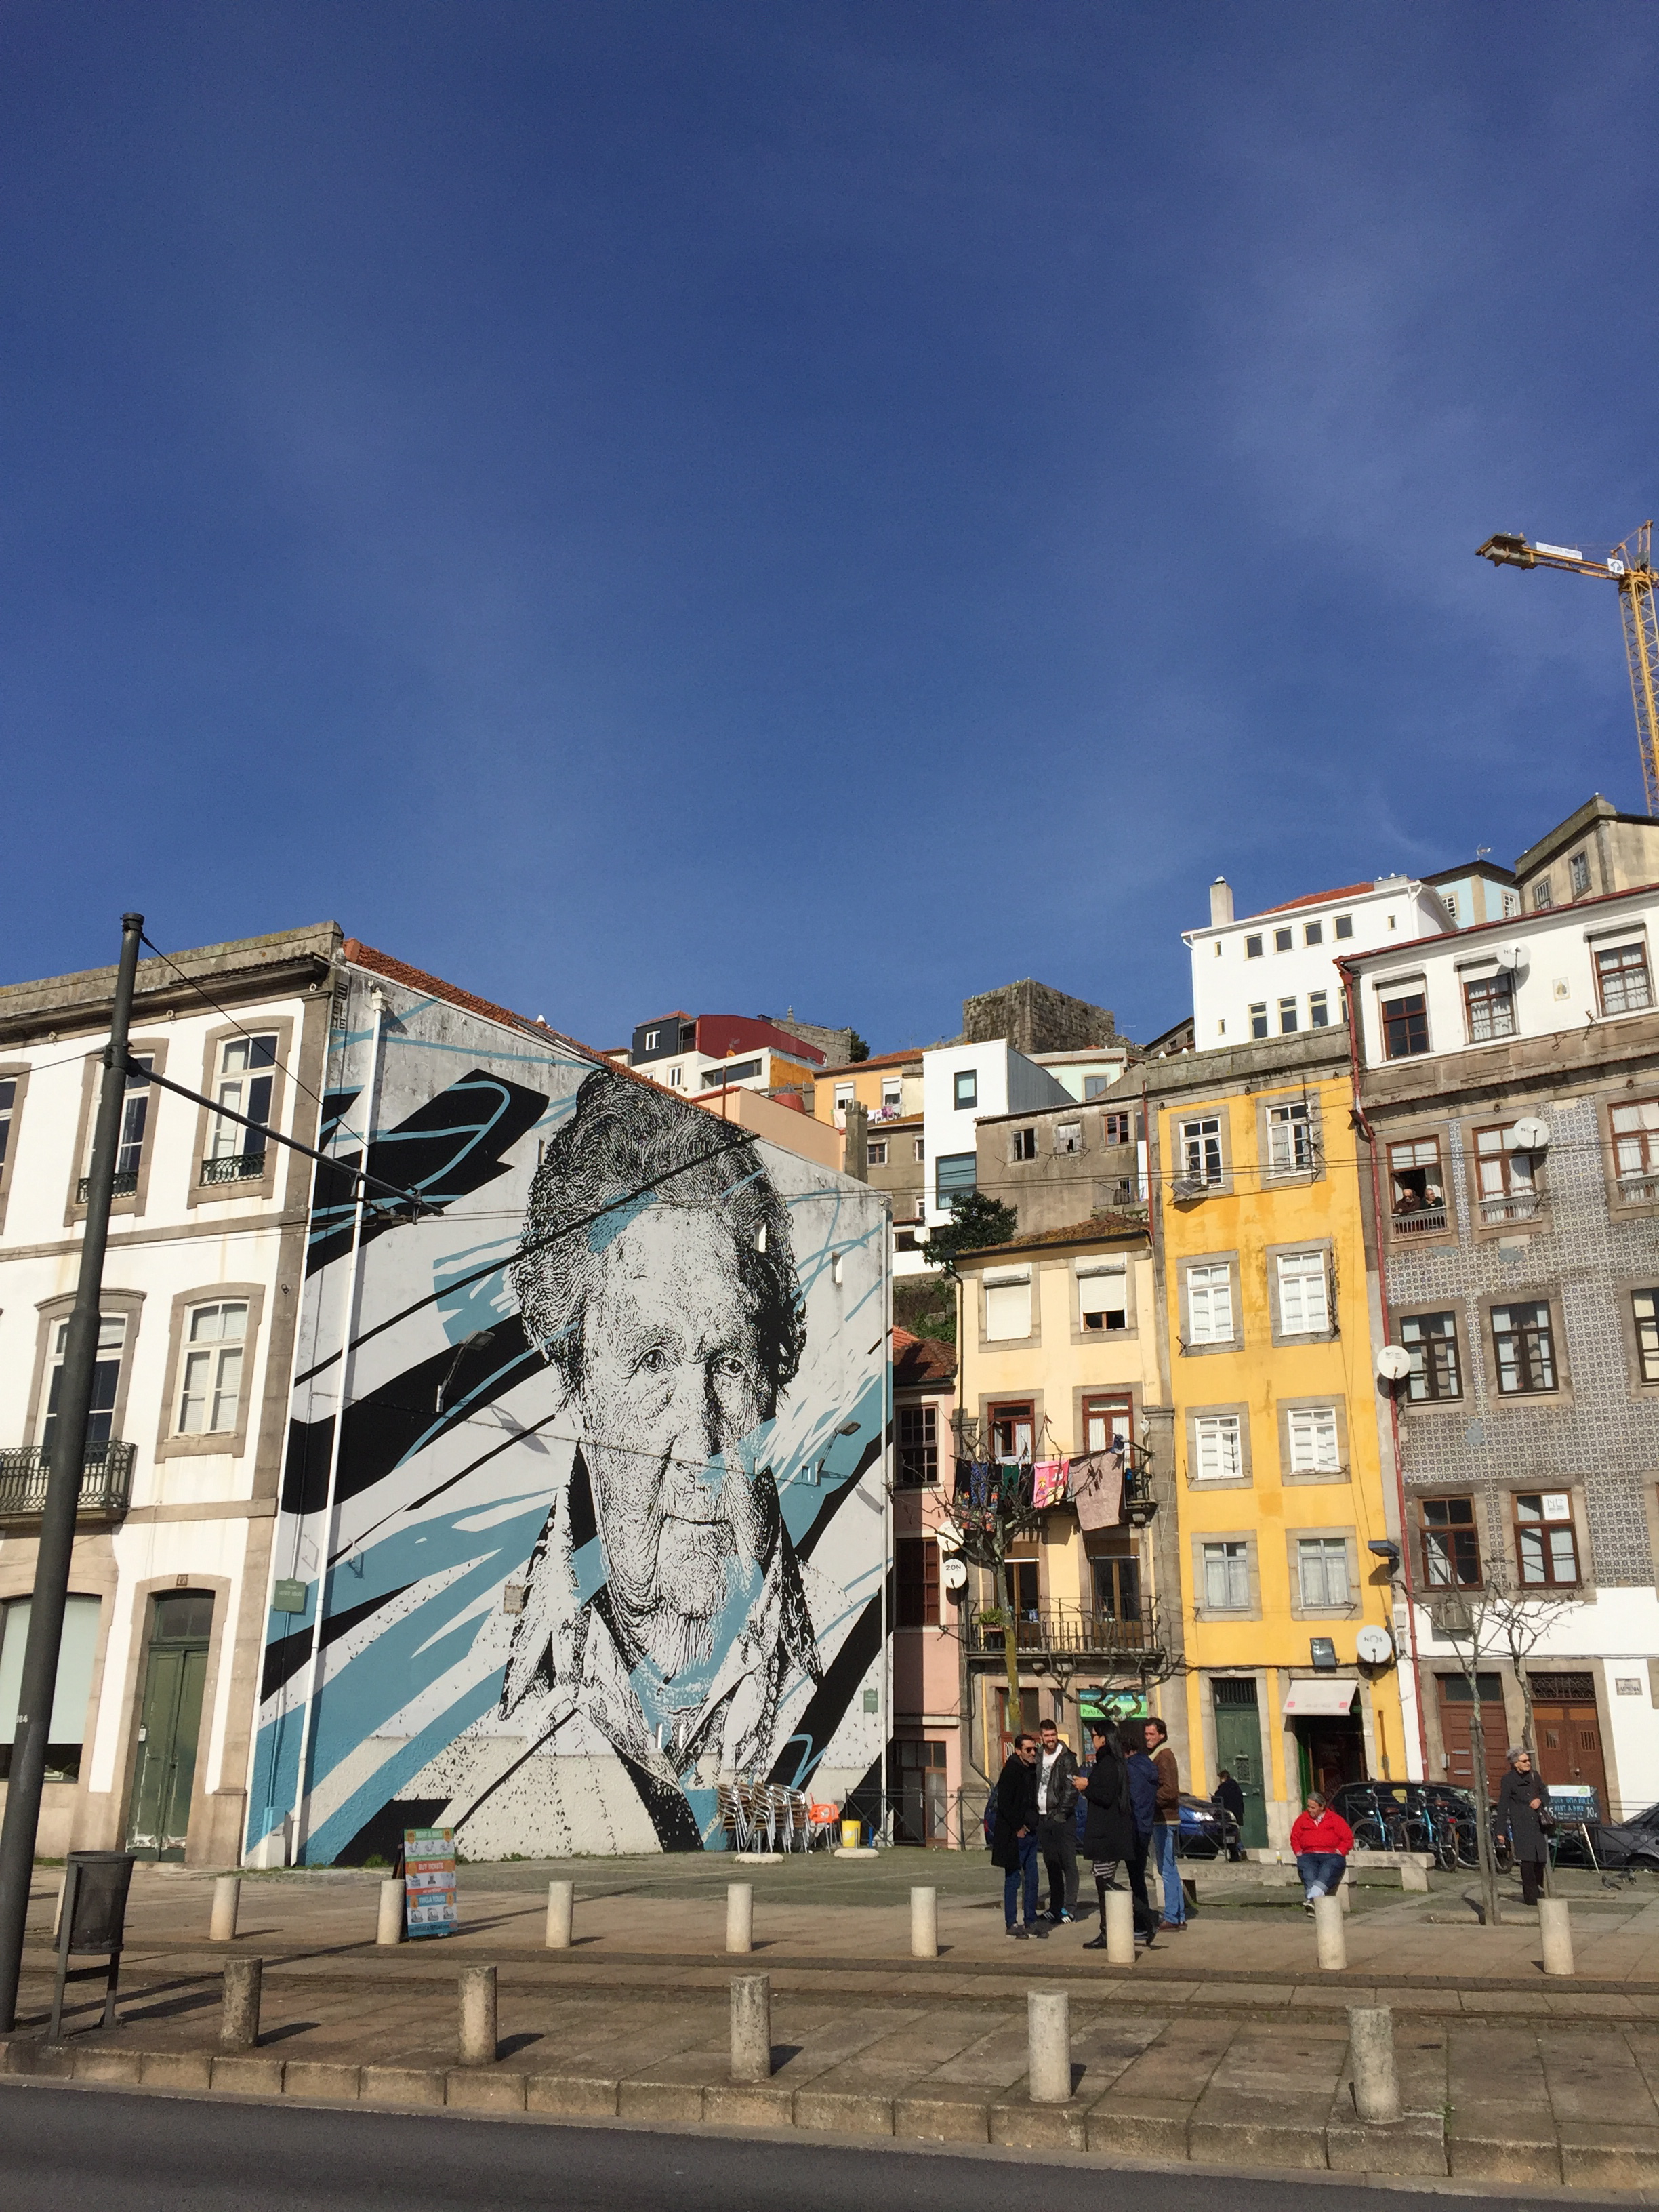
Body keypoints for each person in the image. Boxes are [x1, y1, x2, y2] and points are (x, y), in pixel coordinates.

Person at [426, 1066, 852, 1854]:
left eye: (729, 1363)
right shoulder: (451, 1669)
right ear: (575, 1379)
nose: (700, 1441)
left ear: (771, 1379)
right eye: (652, 1360)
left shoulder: (854, 1645)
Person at [1081, 1719, 1155, 1948]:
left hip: (1108, 1833)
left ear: (1103, 1739)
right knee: (1103, 1880)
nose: (1093, 1740)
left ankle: (1145, 1915)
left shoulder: (1109, 1763)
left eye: (1094, 1736)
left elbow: (1105, 1796)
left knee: (1104, 1881)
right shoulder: (1114, 1762)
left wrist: (1086, 1788)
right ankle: (1108, 1930)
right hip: (1109, 1831)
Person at [992, 1732, 1046, 1939]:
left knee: (1032, 1878)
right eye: (1028, 1749)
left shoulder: (1032, 1770)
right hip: (1014, 1835)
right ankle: (1011, 1922)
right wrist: (1018, 1827)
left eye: (1034, 1749)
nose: (1033, 1753)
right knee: (1013, 1878)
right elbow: (1005, 1804)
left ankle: (1030, 1920)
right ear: (1018, 1751)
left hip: (1031, 1831)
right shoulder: (1011, 1771)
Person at [1034, 1717, 1080, 1923]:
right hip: (1043, 1817)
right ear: (1041, 1737)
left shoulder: (1067, 1758)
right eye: (1047, 1736)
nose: (1051, 1739)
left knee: (1068, 1863)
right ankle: (1055, 1907)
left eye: (1053, 1735)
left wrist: (1061, 1814)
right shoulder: (1038, 1756)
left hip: (1062, 1818)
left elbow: (1071, 1789)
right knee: (1051, 1864)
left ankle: (1069, 1909)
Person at [1144, 1715, 1186, 1931]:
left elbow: (1170, 1790)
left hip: (1164, 1819)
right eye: (1146, 1734)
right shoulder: (1158, 1755)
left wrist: (1149, 1799)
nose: (1148, 1738)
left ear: (1161, 1735)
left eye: (1152, 1734)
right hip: (1163, 1818)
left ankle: (1172, 1916)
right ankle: (1178, 1915)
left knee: (1166, 1868)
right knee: (1169, 1867)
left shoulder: (1164, 1756)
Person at [1120, 1719, 1160, 1937]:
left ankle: (1144, 1920)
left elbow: (1130, 1801)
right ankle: (1143, 1920)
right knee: (1138, 1878)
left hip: (1134, 1827)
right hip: (1146, 1825)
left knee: (1134, 1877)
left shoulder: (1131, 1769)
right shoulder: (1148, 1765)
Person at [1498, 1744, 1551, 1905]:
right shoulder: (1508, 1780)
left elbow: (1545, 1794)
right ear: (1516, 1764)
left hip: (1537, 1824)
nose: (1528, 1763)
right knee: (1527, 1862)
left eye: (1529, 1760)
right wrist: (1500, 1831)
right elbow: (1503, 1805)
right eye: (1525, 1761)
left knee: (1540, 1860)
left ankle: (1539, 1888)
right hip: (1521, 1825)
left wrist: (1540, 1800)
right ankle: (1531, 1898)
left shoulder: (1535, 1776)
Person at [1290, 1791, 1354, 1908]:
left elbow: (1348, 1838)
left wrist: (1340, 1851)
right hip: (1309, 1854)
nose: (1310, 1810)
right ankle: (1314, 1900)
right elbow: (1295, 1837)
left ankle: (1312, 1899)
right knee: (1308, 1872)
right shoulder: (1302, 1819)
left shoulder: (1335, 1819)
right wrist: (1298, 1852)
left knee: (1328, 1870)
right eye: (1308, 1807)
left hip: (1330, 1855)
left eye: (1313, 1807)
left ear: (1322, 1807)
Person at [1213, 1767, 1246, 1860]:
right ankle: (1238, 1852)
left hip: (1228, 1815)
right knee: (1236, 1832)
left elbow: (1219, 1799)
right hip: (1237, 1814)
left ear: (1224, 1778)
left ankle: (1240, 1850)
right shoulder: (1236, 1787)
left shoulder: (1224, 1788)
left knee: (1231, 1834)